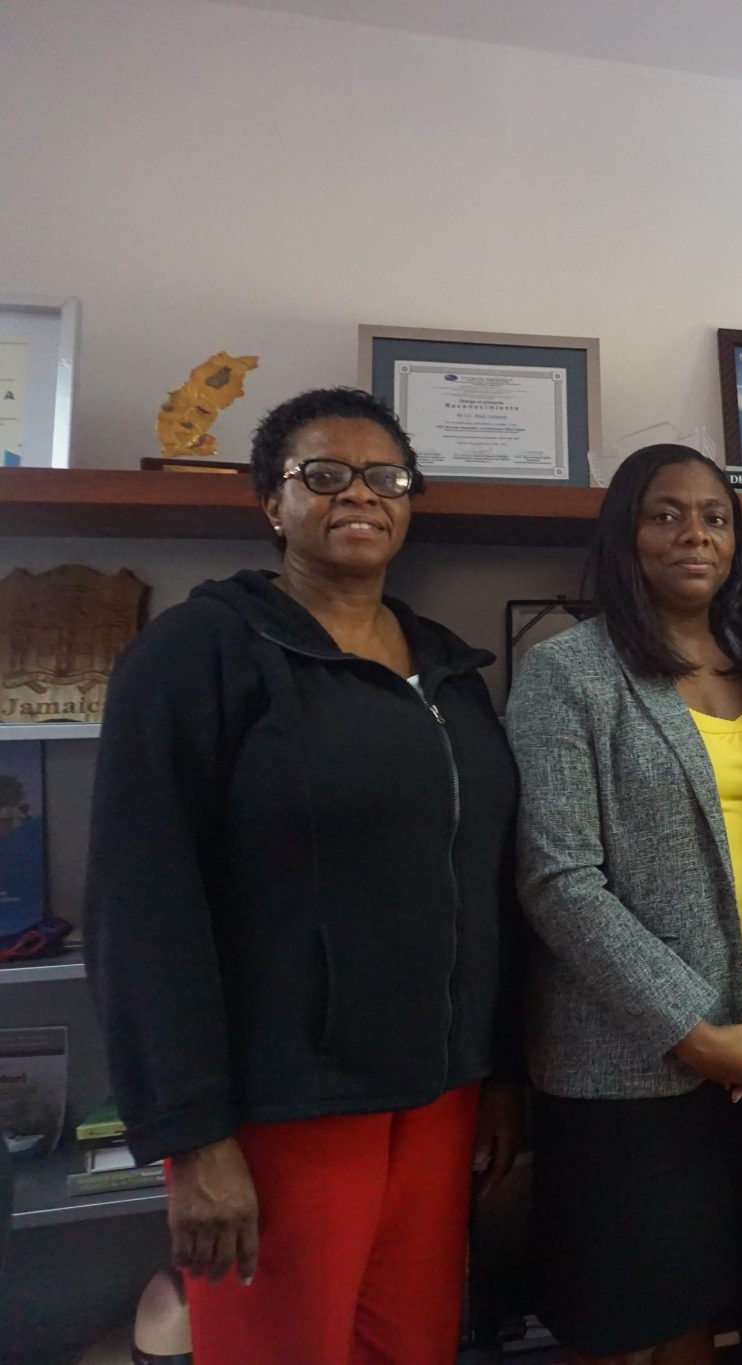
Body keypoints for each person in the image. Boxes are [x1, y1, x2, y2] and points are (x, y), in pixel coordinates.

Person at [86, 387, 523, 1363]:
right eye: (323, 475)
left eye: (384, 478)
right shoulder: (195, 657)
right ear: (270, 503)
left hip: (439, 1098)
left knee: (410, 1348)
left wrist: (497, 1072)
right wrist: (191, 1140)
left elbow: (485, 881)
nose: (357, 495)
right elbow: (139, 908)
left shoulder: (447, 671)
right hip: (281, 1113)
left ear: (409, 501)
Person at [507, 444, 742, 1365]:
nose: (694, 533)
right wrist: (686, 1028)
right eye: (665, 514)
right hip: (623, 1069)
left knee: (709, 1313)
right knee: (624, 1316)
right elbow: (558, 879)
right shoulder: (568, 674)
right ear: (625, 535)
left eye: (714, 514)